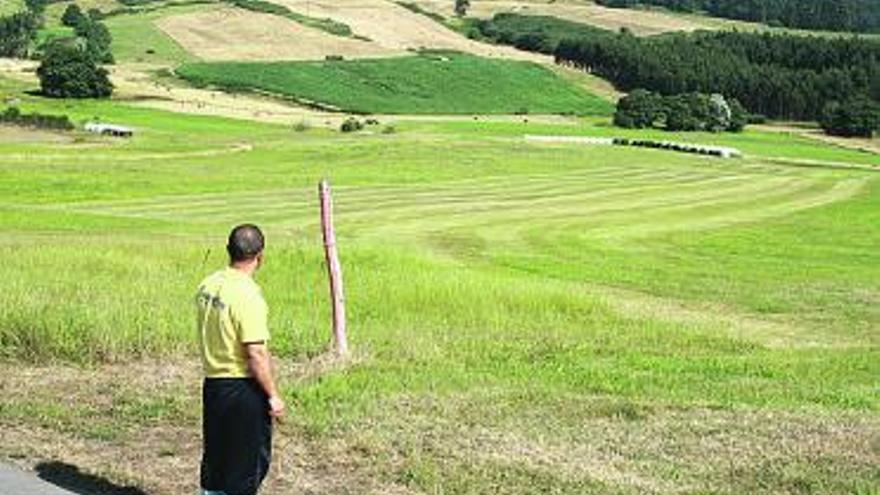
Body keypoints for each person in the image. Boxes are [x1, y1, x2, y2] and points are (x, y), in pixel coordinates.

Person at [195, 224, 285, 495]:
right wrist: (273, 395)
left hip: (214, 385)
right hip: (241, 389)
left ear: (228, 250)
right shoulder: (248, 295)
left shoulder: (208, 285)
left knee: (216, 463)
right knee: (245, 468)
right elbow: (255, 352)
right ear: (261, 256)